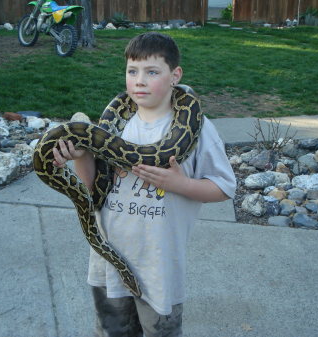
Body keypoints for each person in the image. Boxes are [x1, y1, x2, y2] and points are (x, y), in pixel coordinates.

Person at [52, 32, 236, 337]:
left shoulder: (201, 130)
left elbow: (224, 188)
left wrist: (180, 184)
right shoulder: (113, 127)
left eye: (152, 72)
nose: (139, 81)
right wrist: (81, 156)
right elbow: (91, 190)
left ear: (175, 76)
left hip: (158, 269)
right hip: (107, 263)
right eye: (132, 71)